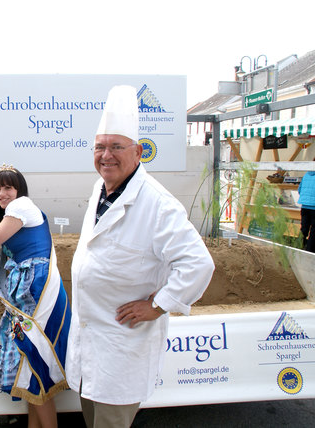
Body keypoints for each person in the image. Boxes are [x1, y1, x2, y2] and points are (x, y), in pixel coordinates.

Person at [65, 85, 215, 428]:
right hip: (91, 341)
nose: (106, 155)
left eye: (117, 147)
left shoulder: (158, 204)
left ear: (139, 152)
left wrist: (159, 304)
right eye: (100, 147)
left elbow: (199, 264)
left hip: (121, 348)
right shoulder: (101, 188)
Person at [0, 166, 71, 428]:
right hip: (29, 295)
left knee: (34, 363)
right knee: (30, 370)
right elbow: (0, 249)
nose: (2, 193)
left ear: (19, 190)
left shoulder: (20, 206)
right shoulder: (17, 213)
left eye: (7, 187)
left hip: (34, 294)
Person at [298, 157, 315, 252]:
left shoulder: (306, 175)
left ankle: (299, 248)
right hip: (314, 207)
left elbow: (299, 190)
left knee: (303, 229)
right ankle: (310, 251)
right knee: (314, 231)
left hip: (304, 206)